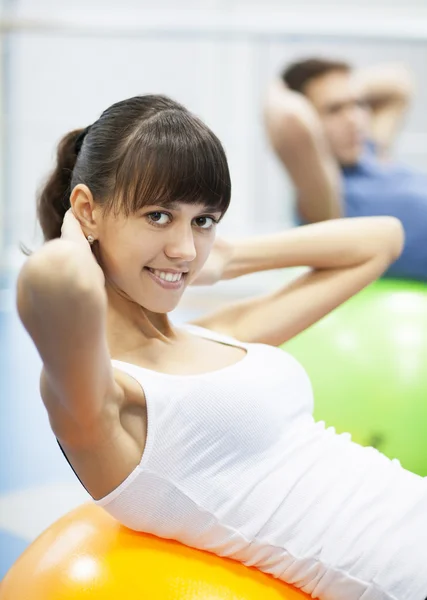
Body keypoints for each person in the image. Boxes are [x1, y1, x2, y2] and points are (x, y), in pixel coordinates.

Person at [16, 94, 427, 600]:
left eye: (204, 220)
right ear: (86, 212)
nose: (186, 248)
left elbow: (382, 240)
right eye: (158, 216)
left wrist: (227, 258)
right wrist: (81, 235)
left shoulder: (215, 333)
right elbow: (56, 278)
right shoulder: (102, 396)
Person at [264, 58, 427, 282]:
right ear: (310, 121)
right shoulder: (327, 199)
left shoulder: (372, 150)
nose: (353, 120)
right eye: (334, 110)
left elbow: (399, 83)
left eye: (358, 104)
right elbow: (288, 117)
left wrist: (341, 86)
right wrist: (278, 87)